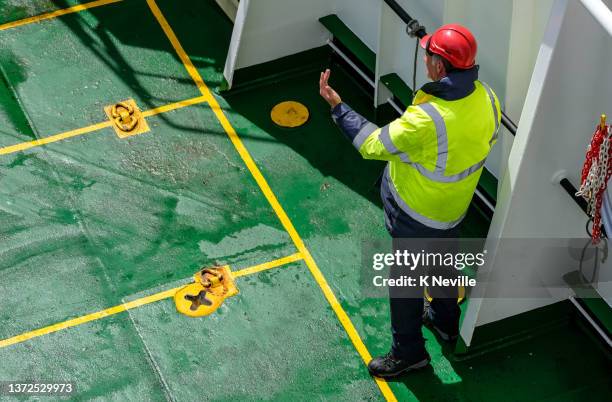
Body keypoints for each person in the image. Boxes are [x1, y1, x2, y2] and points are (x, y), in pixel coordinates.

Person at [319, 24, 501, 377]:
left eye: (429, 56)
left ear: (439, 67)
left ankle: (408, 353)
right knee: (444, 265)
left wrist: (339, 108)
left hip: (416, 214)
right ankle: (446, 324)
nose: (425, 60)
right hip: (453, 208)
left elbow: (374, 145)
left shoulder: (427, 120)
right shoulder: (487, 99)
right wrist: (426, 40)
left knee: (404, 285)